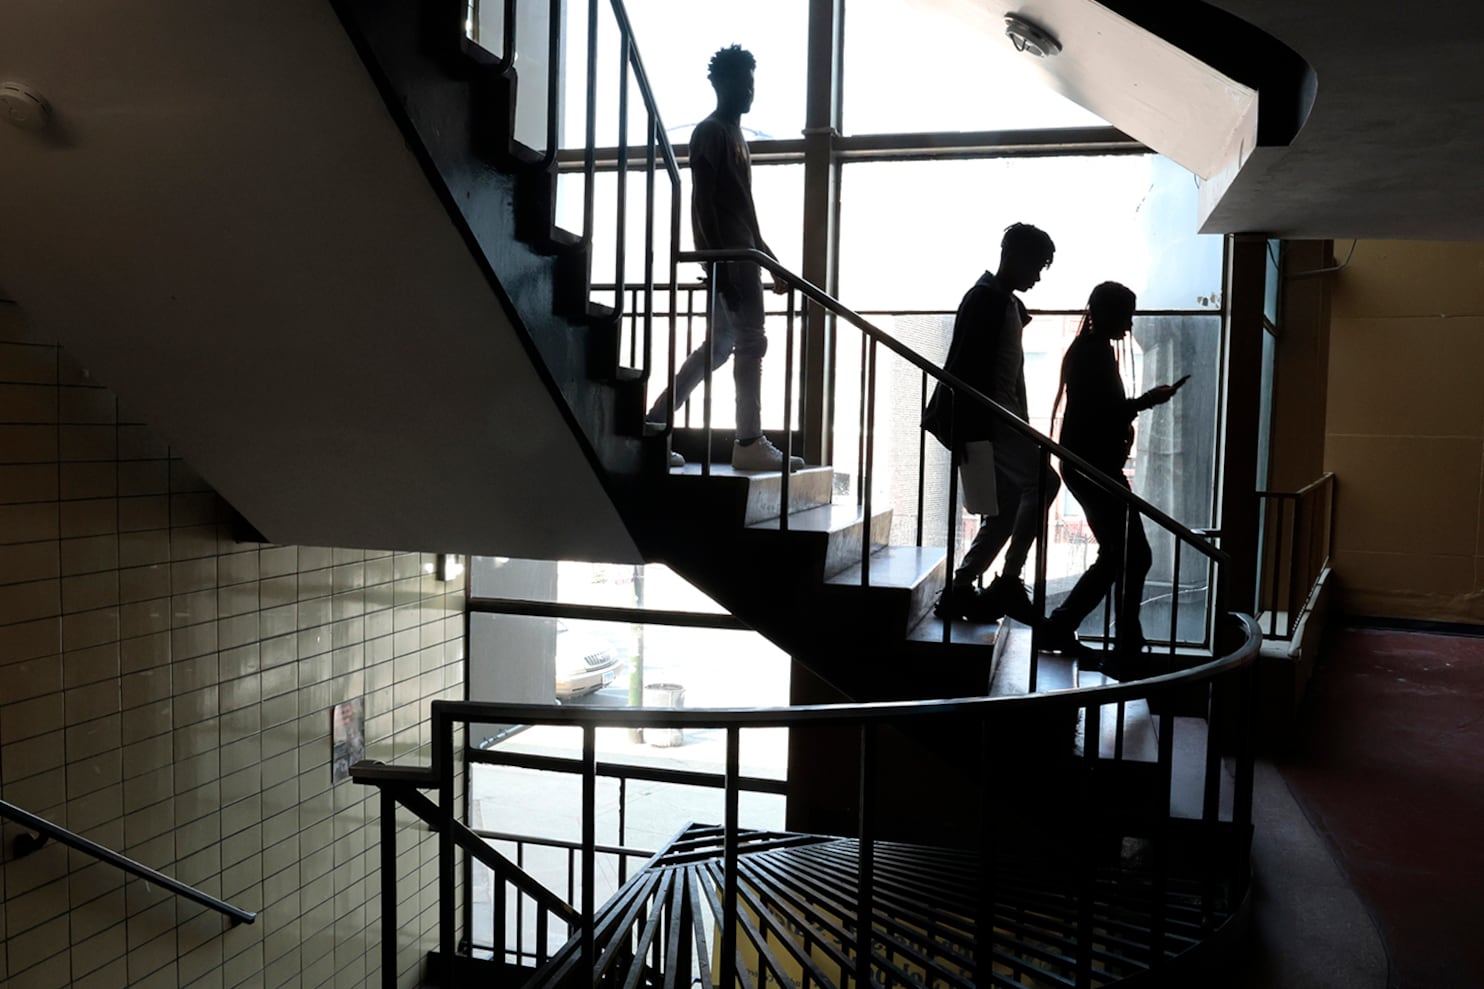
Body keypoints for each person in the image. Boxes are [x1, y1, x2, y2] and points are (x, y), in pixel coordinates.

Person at [647, 45, 801, 473]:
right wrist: (721, 264)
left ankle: (654, 424)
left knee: (717, 348)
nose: (750, 91)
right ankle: (748, 440)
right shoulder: (712, 132)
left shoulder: (733, 136)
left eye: (752, 82)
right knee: (749, 341)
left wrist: (768, 260)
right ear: (722, 85)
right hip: (730, 256)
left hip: (739, 253)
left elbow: (744, 212)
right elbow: (705, 203)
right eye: (743, 82)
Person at [1040, 281, 1185, 670]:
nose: (1129, 323)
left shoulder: (1090, 350)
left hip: (1089, 466)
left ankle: (1082, 628)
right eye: (1126, 314)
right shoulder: (1094, 354)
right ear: (1107, 313)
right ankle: (1118, 640)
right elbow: (1106, 413)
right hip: (1094, 468)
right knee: (1132, 555)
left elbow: (1097, 411)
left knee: (1123, 555)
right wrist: (1147, 401)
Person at [925, 223, 1061, 624]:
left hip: (997, 419)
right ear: (1012, 257)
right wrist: (972, 430)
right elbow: (966, 369)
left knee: (1006, 508)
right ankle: (1007, 580)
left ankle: (962, 587)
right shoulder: (986, 300)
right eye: (1036, 266)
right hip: (989, 419)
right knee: (1045, 483)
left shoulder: (999, 302)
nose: (1037, 276)